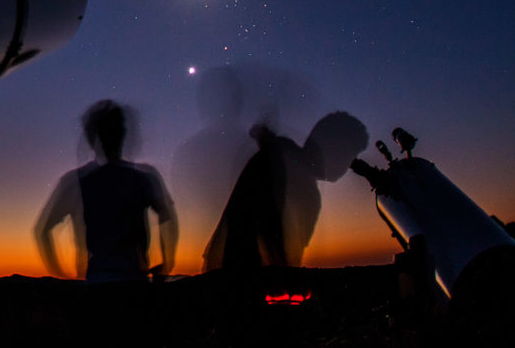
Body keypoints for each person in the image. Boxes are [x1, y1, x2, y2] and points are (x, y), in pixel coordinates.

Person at [202, 111, 368, 272]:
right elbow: (267, 233)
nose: (347, 166)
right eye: (348, 156)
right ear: (334, 148)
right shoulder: (283, 166)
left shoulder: (289, 164)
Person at [35, 100, 178, 282]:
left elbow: (44, 230)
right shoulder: (143, 177)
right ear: (123, 135)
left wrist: (63, 277)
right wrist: (166, 263)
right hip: (133, 278)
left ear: (92, 138)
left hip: (99, 278)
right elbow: (166, 216)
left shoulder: (77, 181)